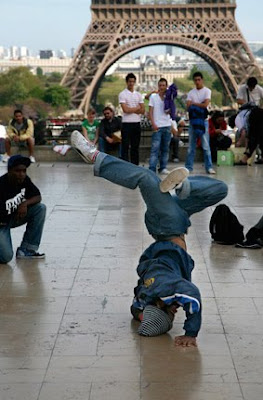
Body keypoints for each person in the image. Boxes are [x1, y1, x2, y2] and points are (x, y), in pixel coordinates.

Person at [71, 130, 228, 346]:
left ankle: (95, 156)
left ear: (158, 304)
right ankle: (182, 188)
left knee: (147, 178)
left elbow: (192, 295)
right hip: (178, 220)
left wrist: (190, 333)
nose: (175, 310)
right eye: (175, 314)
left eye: (171, 313)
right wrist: (144, 315)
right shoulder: (144, 298)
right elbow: (136, 312)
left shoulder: (163, 288)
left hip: (167, 225)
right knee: (220, 190)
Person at [0, 155, 46, 263]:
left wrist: (24, 203)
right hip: (1, 224)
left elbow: (38, 197)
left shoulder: (25, 180)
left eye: (24, 171)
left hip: (13, 217)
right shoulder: (1, 185)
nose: (21, 174)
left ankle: (27, 249)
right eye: (17, 171)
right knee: (6, 257)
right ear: (9, 171)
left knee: (40, 208)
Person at [185, 72, 215, 174]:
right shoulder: (191, 92)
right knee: (192, 147)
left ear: (202, 80)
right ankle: (189, 167)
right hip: (194, 122)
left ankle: (208, 167)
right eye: (195, 80)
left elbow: (206, 104)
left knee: (205, 146)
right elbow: (188, 107)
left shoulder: (206, 91)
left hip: (203, 121)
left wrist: (194, 104)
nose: (197, 82)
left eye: (199, 80)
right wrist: (200, 104)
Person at [119, 73, 145, 165]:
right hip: (126, 123)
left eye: (133, 82)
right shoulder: (122, 94)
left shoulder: (138, 94)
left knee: (135, 147)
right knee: (125, 146)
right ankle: (126, 166)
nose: (131, 83)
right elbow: (125, 110)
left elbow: (143, 110)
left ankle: (135, 165)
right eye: (130, 82)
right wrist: (137, 108)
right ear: (127, 82)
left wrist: (131, 109)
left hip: (136, 123)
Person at [148, 78, 172, 174]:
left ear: (166, 86)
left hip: (167, 125)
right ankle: (152, 168)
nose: (162, 87)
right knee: (155, 149)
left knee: (165, 149)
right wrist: (153, 124)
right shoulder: (153, 97)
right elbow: (150, 112)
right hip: (157, 126)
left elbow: (170, 111)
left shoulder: (169, 97)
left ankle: (163, 167)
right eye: (160, 85)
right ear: (158, 86)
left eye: (163, 85)